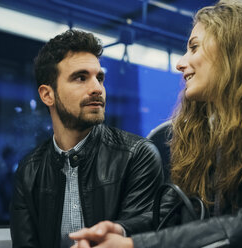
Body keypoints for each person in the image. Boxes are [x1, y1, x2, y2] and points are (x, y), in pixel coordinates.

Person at [69, 1, 242, 247]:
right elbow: (172, 213)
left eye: (194, 47)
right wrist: (121, 231)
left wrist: (137, 245)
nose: (180, 63)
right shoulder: (199, 135)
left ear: (236, 50)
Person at [9, 29, 163, 248]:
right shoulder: (29, 171)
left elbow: (134, 240)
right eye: (81, 78)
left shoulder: (137, 156)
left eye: (99, 78)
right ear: (47, 95)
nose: (97, 88)